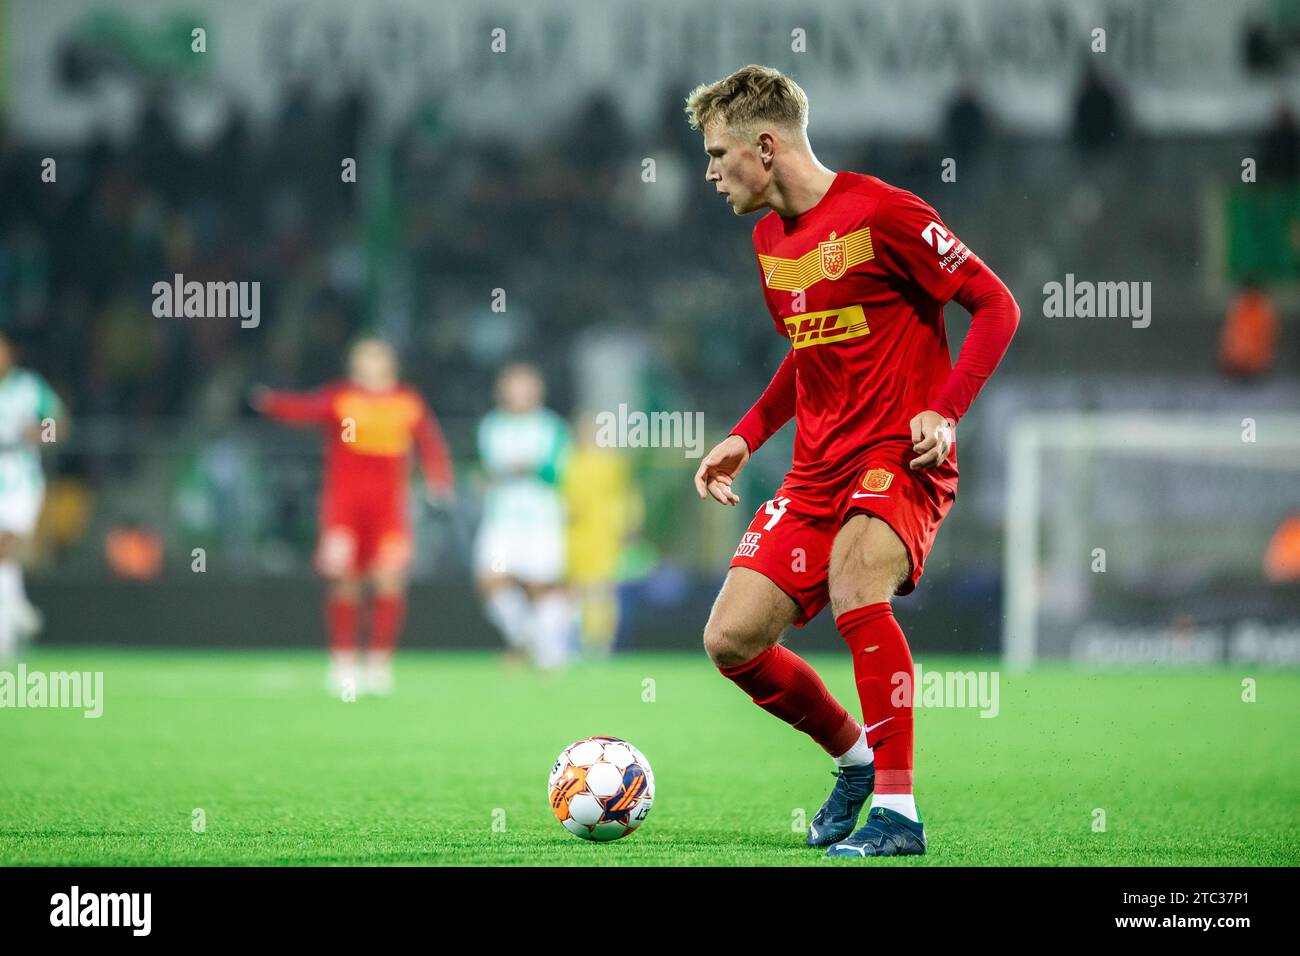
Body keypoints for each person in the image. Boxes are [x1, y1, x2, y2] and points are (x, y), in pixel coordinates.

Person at [685, 65, 1020, 857]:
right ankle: (857, 760)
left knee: (854, 587)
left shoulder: (884, 212)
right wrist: (748, 432)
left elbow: (995, 302)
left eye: (715, 153)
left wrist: (945, 408)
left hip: (899, 453)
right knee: (730, 640)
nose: (708, 173)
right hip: (816, 470)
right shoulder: (770, 242)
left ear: (764, 147)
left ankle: (900, 816)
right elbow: (810, 354)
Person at [252, 337, 454, 696]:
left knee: (389, 577)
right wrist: (269, 402)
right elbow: (304, 410)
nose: (368, 369)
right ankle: (343, 662)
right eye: (362, 362)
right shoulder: (340, 397)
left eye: (375, 361)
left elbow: (429, 442)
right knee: (344, 579)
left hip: (388, 509)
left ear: (389, 365)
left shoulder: (407, 402)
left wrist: (439, 480)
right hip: (344, 507)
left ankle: (378, 663)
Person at [475, 363, 573, 669]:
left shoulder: (552, 427)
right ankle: (528, 638)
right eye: (512, 387)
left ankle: (550, 653)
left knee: (539, 586)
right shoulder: (491, 426)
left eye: (525, 387)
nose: (519, 394)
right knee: (490, 581)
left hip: (540, 518)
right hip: (502, 517)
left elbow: (553, 471)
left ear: (538, 391)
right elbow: (491, 468)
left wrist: (518, 469)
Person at [0, 331, 65, 662]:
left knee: (6, 544)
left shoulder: (29, 387)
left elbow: (60, 426)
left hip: (19, 484)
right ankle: (12, 615)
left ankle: (14, 609)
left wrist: (37, 433)